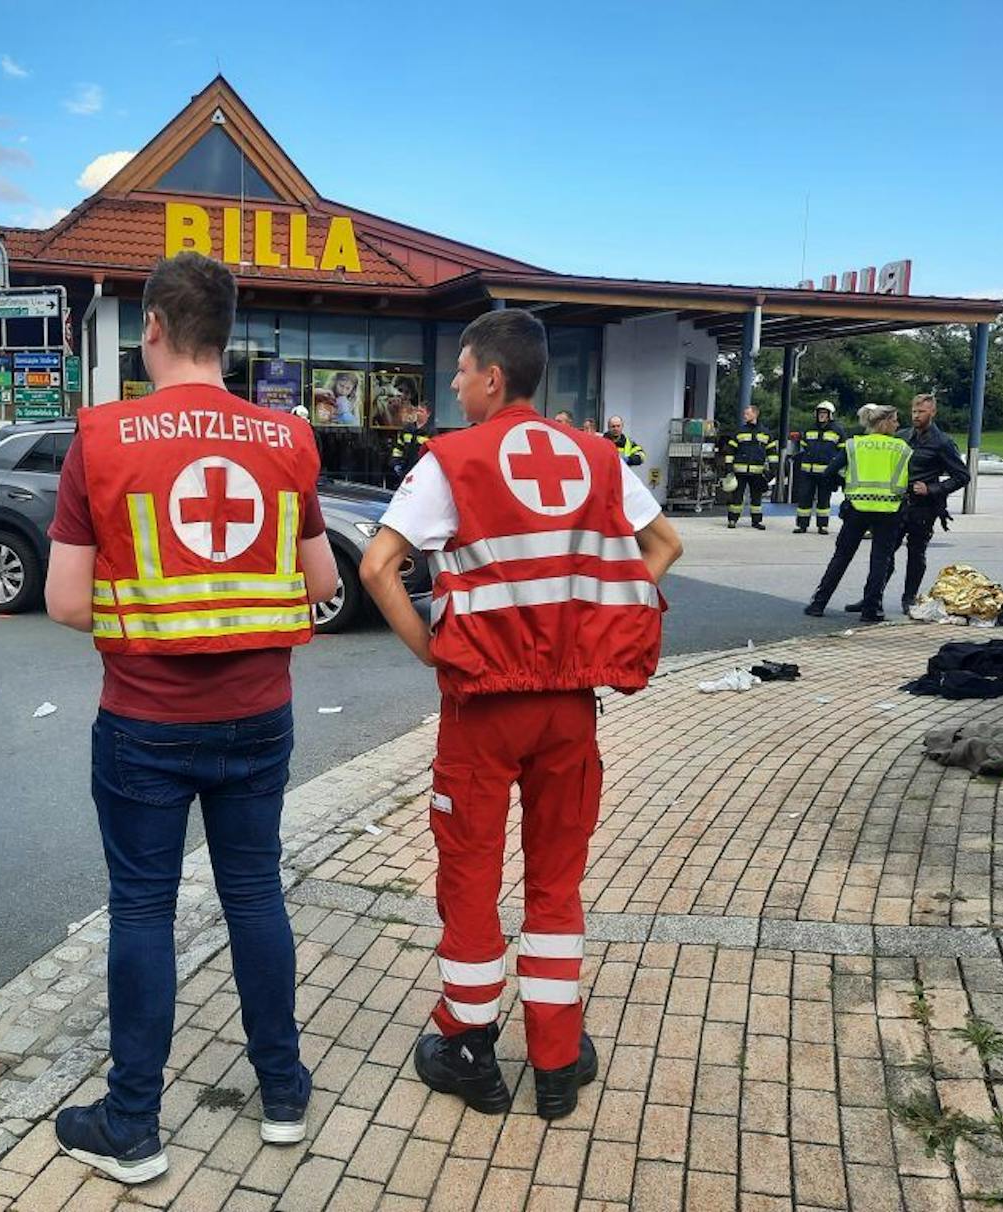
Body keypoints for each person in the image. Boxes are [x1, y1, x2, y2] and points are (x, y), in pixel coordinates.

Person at [43, 252, 340, 1184]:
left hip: (144, 723)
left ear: (156, 330)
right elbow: (325, 585)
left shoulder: (101, 437)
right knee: (255, 895)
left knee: (144, 907)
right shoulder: (289, 441)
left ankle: (132, 1124)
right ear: (227, 331)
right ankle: (283, 1093)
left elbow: (61, 601)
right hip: (260, 718)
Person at [359, 309, 683, 1122]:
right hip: (570, 709)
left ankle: (469, 1043)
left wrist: (431, 651)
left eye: (462, 372)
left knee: (469, 872)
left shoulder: (454, 459)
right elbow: (665, 548)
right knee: (556, 879)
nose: (457, 385)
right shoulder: (599, 455)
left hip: (483, 708)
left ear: (493, 375)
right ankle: (556, 1057)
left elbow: (376, 567)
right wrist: (581, 623)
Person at [804, 404, 911, 623]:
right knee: (880, 560)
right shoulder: (902, 447)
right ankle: (871, 610)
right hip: (889, 511)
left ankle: (818, 604)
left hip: (856, 510)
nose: (898, 425)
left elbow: (829, 473)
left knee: (841, 557)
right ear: (884, 422)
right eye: (895, 420)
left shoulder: (855, 445)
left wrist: (848, 487)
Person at [894, 393, 969, 610]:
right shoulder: (902, 436)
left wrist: (933, 489)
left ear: (933, 412)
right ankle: (873, 595)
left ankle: (909, 597)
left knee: (916, 552)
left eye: (922, 412)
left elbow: (962, 476)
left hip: (924, 506)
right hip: (898, 502)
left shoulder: (942, 442)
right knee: (886, 550)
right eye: (914, 411)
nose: (916, 416)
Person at [792, 401, 844, 535]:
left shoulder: (838, 430)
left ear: (830, 415)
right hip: (807, 472)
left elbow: (842, 451)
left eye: (824, 413)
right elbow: (804, 445)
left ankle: (823, 526)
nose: (821, 416)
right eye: (820, 413)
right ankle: (802, 525)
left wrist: (835, 468)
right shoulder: (809, 428)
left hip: (826, 472)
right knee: (804, 498)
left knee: (824, 499)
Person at [723, 404, 778, 528]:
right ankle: (732, 520)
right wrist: (728, 467)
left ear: (755, 414)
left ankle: (756, 521)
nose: (744, 416)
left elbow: (772, 452)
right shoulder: (739, 432)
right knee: (737, 498)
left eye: (747, 414)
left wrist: (773, 469)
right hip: (739, 471)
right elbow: (730, 450)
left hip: (757, 472)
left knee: (756, 499)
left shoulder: (766, 433)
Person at [385, 398, 431, 489]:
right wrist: (396, 464)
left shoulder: (431, 432)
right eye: (417, 410)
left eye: (421, 411)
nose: (418, 413)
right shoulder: (407, 429)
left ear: (428, 414)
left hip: (420, 472)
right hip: (405, 469)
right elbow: (398, 448)